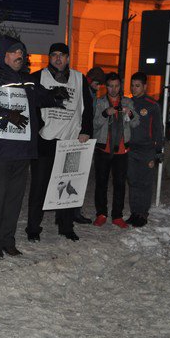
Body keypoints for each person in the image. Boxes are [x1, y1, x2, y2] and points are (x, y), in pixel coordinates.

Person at [0, 35, 68, 259]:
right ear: (4, 55)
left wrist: (55, 96)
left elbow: (41, 97)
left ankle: (8, 240)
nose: (20, 56)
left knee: (15, 199)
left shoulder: (28, 80)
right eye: (15, 52)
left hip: (22, 151)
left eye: (22, 52)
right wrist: (7, 115)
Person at [26, 43, 94, 242]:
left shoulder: (79, 78)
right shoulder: (38, 77)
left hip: (70, 140)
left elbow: (87, 107)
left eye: (62, 55)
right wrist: (37, 130)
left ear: (68, 58)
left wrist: (86, 131)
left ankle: (66, 226)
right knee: (39, 186)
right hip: (45, 140)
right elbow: (31, 107)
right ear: (49, 58)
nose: (58, 59)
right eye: (54, 55)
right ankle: (33, 228)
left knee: (68, 185)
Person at [92, 72, 139, 229]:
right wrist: (106, 113)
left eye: (116, 86)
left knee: (119, 184)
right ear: (106, 86)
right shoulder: (100, 102)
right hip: (103, 149)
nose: (113, 89)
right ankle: (101, 214)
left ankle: (117, 216)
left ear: (120, 86)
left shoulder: (127, 102)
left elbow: (135, 123)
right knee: (101, 183)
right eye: (111, 86)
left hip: (121, 151)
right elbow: (94, 125)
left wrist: (130, 113)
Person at [70, 66, 107, 225]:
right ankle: (71, 211)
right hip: (77, 139)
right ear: (91, 80)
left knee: (79, 176)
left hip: (84, 140)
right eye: (97, 84)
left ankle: (74, 210)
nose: (99, 88)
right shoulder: (83, 91)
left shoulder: (91, 93)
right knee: (73, 175)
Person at [127, 72, 163, 227]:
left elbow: (158, 129)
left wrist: (158, 150)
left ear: (145, 86)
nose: (134, 88)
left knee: (145, 183)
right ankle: (135, 212)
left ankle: (143, 213)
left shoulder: (152, 105)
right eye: (132, 85)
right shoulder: (127, 103)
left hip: (147, 150)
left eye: (137, 86)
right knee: (133, 182)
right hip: (130, 150)